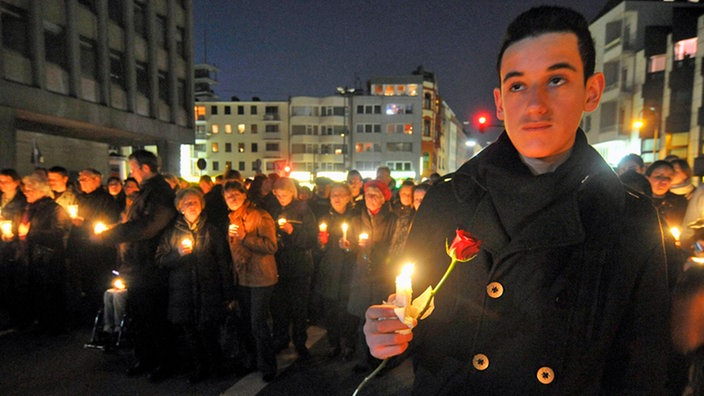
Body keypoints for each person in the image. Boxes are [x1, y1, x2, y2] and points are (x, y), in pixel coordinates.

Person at [363, 6, 670, 393]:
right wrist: (384, 334)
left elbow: (643, 369)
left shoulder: (629, 218)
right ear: (499, 101)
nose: (536, 104)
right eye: (518, 85)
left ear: (591, 91)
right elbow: (408, 316)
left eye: (556, 80)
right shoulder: (448, 198)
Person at [94, 149, 177, 381]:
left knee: (154, 318)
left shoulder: (159, 192)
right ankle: (146, 358)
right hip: (136, 265)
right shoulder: (149, 191)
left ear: (145, 168)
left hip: (149, 265)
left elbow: (148, 226)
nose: (132, 174)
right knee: (139, 316)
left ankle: (164, 362)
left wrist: (113, 234)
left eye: (133, 168)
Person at [155, 188, 234, 384]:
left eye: (195, 202)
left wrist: (228, 293)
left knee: (208, 331)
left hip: (208, 289)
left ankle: (216, 366)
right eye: (187, 203)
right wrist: (178, 254)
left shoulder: (211, 230)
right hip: (183, 292)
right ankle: (199, 367)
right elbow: (160, 260)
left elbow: (223, 262)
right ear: (180, 208)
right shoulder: (171, 232)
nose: (192, 206)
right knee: (190, 333)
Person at [223, 181, 278, 382]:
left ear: (244, 195)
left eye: (236, 195)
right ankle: (251, 360)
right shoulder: (232, 218)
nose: (232, 199)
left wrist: (245, 238)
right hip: (243, 277)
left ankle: (268, 365)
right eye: (228, 197)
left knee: (258, 323)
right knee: (246, 322)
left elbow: (271, 246)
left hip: (262, 277)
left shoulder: (260, 215)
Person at [347, 179, 397, 373]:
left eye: (376, 195)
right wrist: (348, 246)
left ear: (384, 199)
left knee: (382, 321)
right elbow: (351, 246)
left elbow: (394, 249)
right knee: (363, 320)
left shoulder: (392, 220)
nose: (371, 198)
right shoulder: (356, 219)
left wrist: (375, 251)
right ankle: (363, 360)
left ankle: (382, 362)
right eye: (368, 194)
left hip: (381, 277)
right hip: (362, 276)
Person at [13, 173, 72, 334]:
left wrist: (31, 233)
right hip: (28, 257)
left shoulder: (54, 209)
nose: (26, 192)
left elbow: (59, 232)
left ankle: (51, 326)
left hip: (46, 259)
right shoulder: (27, 208)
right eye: (25, 189)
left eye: (30, 189)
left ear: (41, 190)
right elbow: (18, 230)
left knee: (48, 294)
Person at [269, 177, 317, 359]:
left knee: (298, 308)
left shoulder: (303, 210)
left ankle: (299, 342)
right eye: (278, 194)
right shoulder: (273, 209)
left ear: (292, 193)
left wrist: (292, 232)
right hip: (278, 265)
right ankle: (280, 339)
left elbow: (311, 240)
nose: (281, 198)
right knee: (279, 307)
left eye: (285, 194)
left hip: (299, 267)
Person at [312, 183, 358, 360]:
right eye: (333, 195)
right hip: (329, 271)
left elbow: (360, 246)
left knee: (347, 312)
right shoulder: (325, 217)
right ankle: (334, 344)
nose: (337, 198)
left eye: (340, 194)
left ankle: (349, 345)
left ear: (348, 197)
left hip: (348, 272)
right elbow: (318, 250)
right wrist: (321, 243)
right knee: (330, 312)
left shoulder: (355, 218)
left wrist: (349, 247)